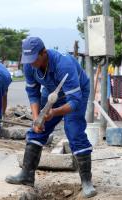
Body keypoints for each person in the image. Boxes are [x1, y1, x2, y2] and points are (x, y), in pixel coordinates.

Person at [5, 37, 97, 198]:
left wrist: (54, 112)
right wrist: (37, 119)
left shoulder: (64, 64)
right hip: (51, 91)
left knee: (74, 130)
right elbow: (33, 93)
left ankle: (86, 182)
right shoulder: (29, 65)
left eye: (34, 59)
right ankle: (27, 174)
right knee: (38, 128)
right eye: (28, 60)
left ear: (44, 53)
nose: (31, 63)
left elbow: (74, 102)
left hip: (77, 92)